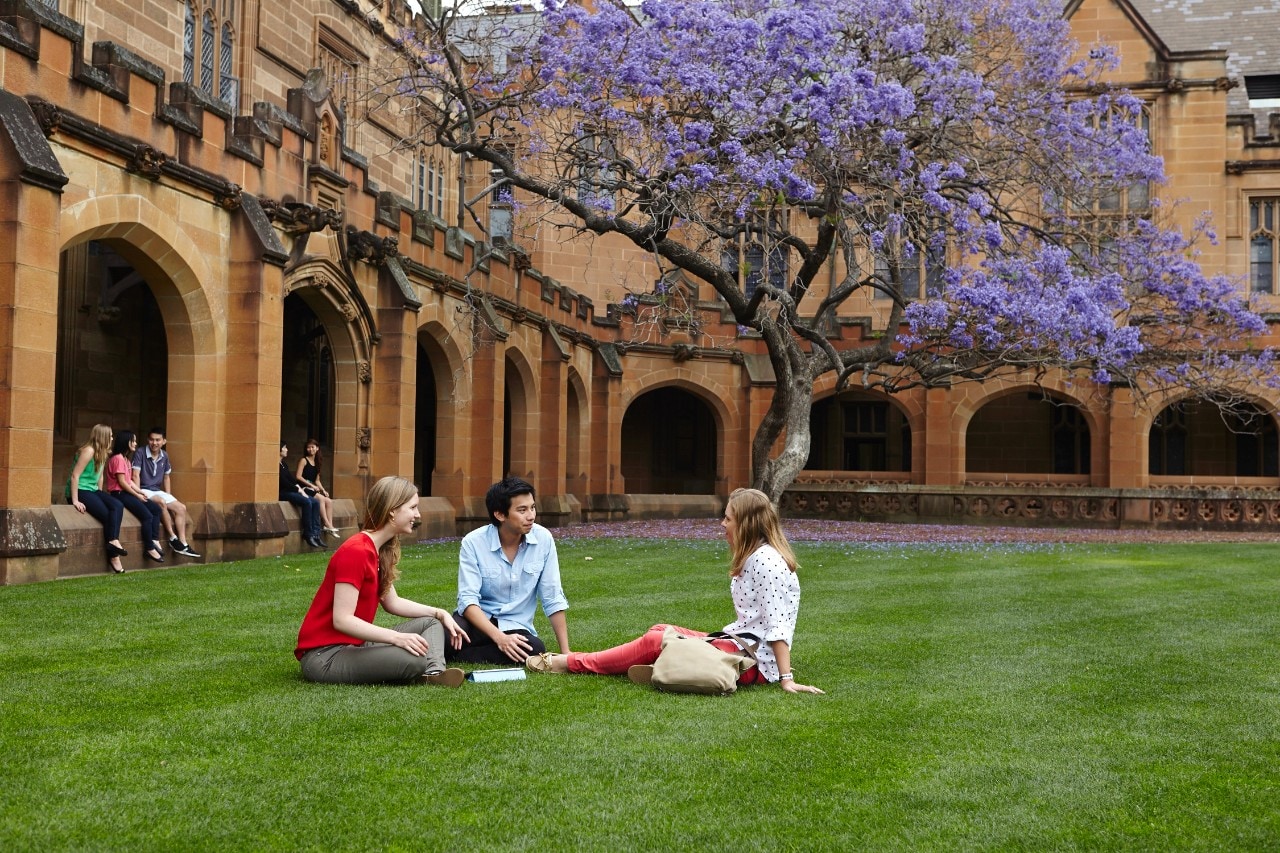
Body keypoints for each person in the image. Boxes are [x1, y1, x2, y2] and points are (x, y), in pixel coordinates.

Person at [526, 487, 824, 694]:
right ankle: (667, 663)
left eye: (728, 518)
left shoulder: (766, 562)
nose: (723, 524)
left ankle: (573, 662)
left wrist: (786, 678)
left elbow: (778, 626)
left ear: (745, 523)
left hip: (752, 662)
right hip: (739, 643)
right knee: (661, 629)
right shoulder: (756, 555)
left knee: (655, 640)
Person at [295, 475, 468, 686]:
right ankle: (424, 670)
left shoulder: (376, 549)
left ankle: (434, 675)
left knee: (430, 623)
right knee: (414, 658)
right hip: (325, 655)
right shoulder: (356, 551)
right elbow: (342, 619)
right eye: (412, 507)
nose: (418, 514)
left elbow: (392, 602)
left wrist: (438, 612)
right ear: (393, 510)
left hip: (355, 645)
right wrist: (396, 638)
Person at [446, 477, 570, 665]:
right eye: (522, 510)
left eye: (533, 507)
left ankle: (459, 655)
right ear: (500, 515)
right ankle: (459, 650)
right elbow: (468, 600)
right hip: (477, 621)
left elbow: (552, 595)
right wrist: (499, 638)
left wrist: (565, 651)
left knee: (533, 649)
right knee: (445, 636)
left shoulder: (543, 539)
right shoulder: (473, 542)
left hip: (515, 625)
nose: (531, 516)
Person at [65, 423, 127, 574]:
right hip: (80, 490)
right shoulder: (88, 451)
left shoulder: (103, 451)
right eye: (110, 435)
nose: (112, 438)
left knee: (117, 505)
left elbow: (99, 476)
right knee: (107, 516)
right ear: (103, 436)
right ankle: (114, 556)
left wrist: (101, 495)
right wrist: (74, 500)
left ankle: (113, 541)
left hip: (92, 490)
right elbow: (75, 476)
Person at [132, 426, 200, 558]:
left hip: (157, 490)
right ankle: (172, 538)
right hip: (143, 489)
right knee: (161, 502)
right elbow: (135, 475)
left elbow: (166, 477)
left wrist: (169, 495)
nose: (154, 443)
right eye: (151, 440)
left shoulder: (165, 456)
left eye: (158, 440)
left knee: (181, 508)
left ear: (164, 441)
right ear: (148, 440)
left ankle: (183, 543)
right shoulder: (140, 452)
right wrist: (138, 494)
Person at [107, 430, 166, 564]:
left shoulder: (126, 460)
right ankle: (149, 548)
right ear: (125, 442)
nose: (135, 443)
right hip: (119, 494)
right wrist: (137, 495)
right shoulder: (117, 459)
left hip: (127, 492)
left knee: (156, 510)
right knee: (147, 516)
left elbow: (129, 481)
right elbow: (122, 483)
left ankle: (154, 540)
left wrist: (140, 492)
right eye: (132, 441)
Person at [279, 442, 324, 548]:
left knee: (316, 502)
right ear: (279, 450)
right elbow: (283, 482)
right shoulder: (276, 465)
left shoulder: (284, 464)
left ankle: (316, 534)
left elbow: (291, 479)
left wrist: (299, 488)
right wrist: (298, 489)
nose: (287, 450)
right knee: (307, 502)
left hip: (291, 490)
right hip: (283, 492)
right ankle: (308, 534)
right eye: (285, 448)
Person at [295, 437, 340, 539]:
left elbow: (317, 480)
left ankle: (330, 525)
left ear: (317, 448)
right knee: (321, 499)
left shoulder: (317, 462)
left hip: (312, 488)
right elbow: (298, 476)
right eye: (308, 447)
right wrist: (311, 485)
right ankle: (326, 524)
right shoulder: (304, 460)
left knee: (329, 501)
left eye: (313, 447)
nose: (310, 449)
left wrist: (324, 490)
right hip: (303, 488)